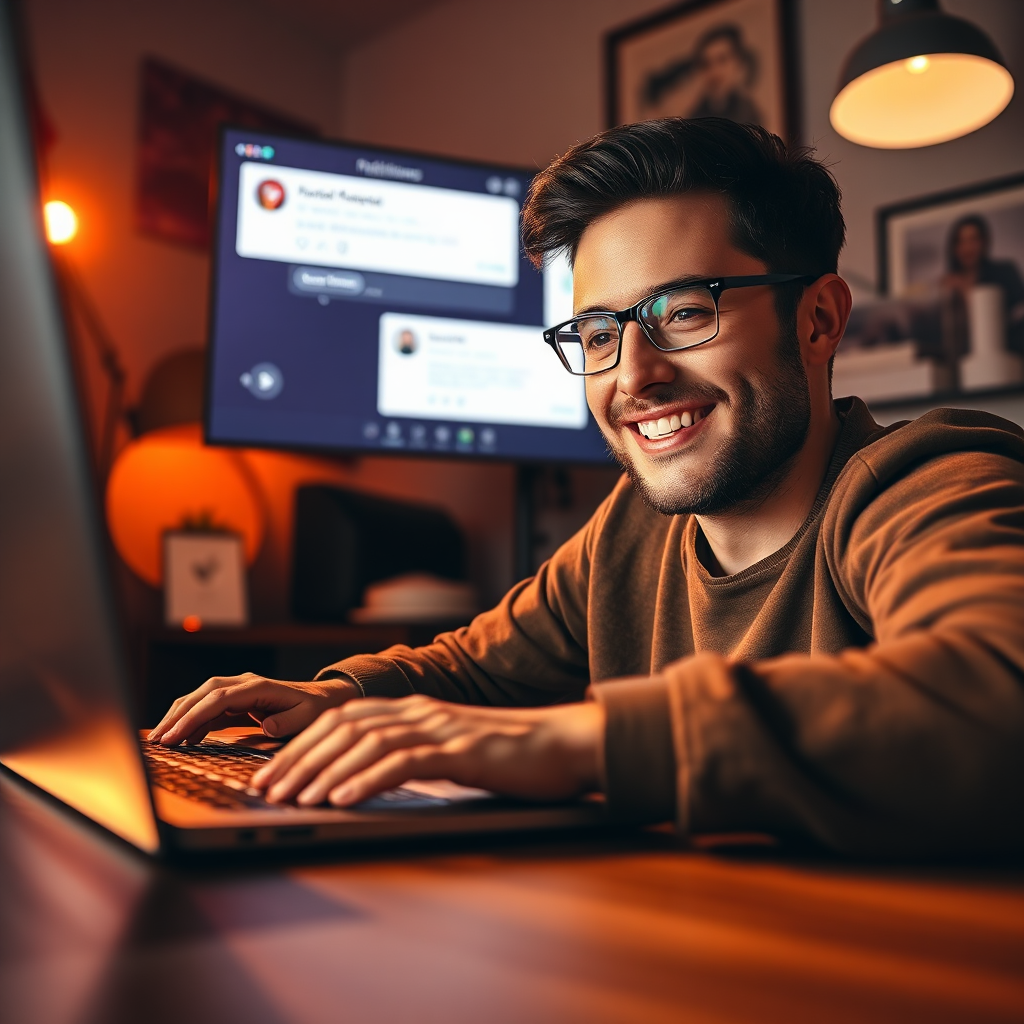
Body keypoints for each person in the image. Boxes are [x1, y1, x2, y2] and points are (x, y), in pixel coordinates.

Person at [150, 119, 1024, 858]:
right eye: (599, 332)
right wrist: (334, 698)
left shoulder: (925, 482)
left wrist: (581, 740)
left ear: (819, 319)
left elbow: (998, 696)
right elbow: (476, 669)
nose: (633, 375)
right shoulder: (635, 530)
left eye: (685, 312)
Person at [643, 25, 764, 127]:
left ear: (739, 62)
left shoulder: (747, 111)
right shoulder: (694, 115)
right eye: (706, 64)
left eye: (722, 60)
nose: (714, 71)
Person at [941, 213, 1024, 354]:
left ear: (984, 242)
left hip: (1005, 355)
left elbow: (1017, 314)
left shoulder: (1004, 272)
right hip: (962, 358)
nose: (967, 248)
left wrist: (967, 291)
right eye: (961, 241)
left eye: (973, 240)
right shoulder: (948, 283)